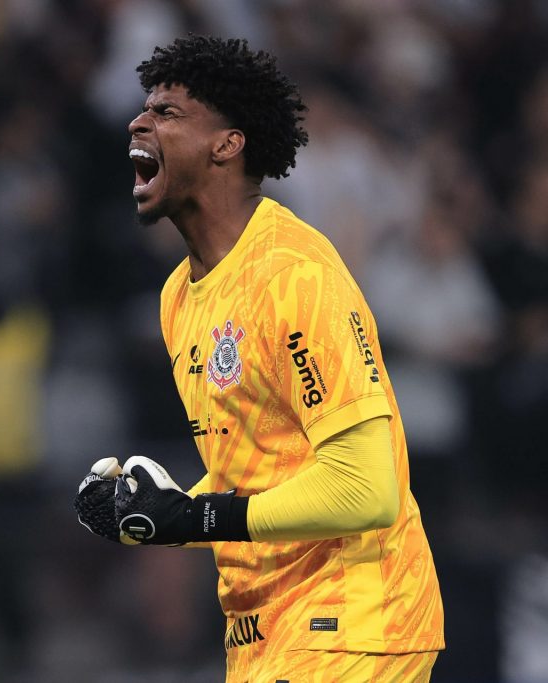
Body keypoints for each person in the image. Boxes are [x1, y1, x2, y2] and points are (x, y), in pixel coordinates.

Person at [74, 36, 445, 682]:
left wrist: (196, 515)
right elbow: (256, 477)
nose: (139, 121)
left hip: (352, 619)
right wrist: (160, 519)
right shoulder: (177, 300)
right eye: (143, 109)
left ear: (227, 143)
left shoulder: (295, 274)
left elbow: (368, 487)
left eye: (167, 112)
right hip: (264, 633)